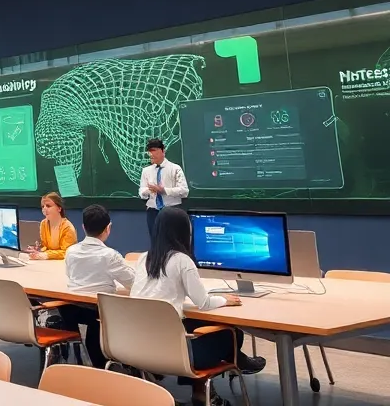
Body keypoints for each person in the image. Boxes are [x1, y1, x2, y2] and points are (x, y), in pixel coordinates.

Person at [132, 207, 264, 405]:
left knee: (194, 324)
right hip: (174, 353)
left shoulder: (143, 258)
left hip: (139, 346)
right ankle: (213, 383)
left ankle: (205, 389)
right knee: (232, 333)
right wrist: (225, 300)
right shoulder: (182, 260)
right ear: (185, 231)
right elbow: (203, 303)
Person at [61, 204, 135, 368]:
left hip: (73, 311)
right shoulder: (110, 256)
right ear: (108, 228)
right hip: (101, 313)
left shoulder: (71, 251)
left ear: (83, 227)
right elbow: (133, 283)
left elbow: (69, 275)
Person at [139, 137, 188, 242]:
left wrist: (163, 190)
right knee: (156, 242)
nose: (151, 154)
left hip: (172, 210)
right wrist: (149, 190)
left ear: (163, 151)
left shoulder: (175, 168)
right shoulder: (146, 171)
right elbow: (142, 193)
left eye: (154, 151)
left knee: (174, 241)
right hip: (153, 212)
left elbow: (184, 191)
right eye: (149, 151)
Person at [28, 192, 77, 260]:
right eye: (43, 206)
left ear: (59, 209)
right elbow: (45, 247)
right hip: (49, 262)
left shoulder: (67, 227)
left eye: (48, 206)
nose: (44, 209)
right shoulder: (43, 224)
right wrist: (37, 249)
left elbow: (66, 252)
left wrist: (46, 255)